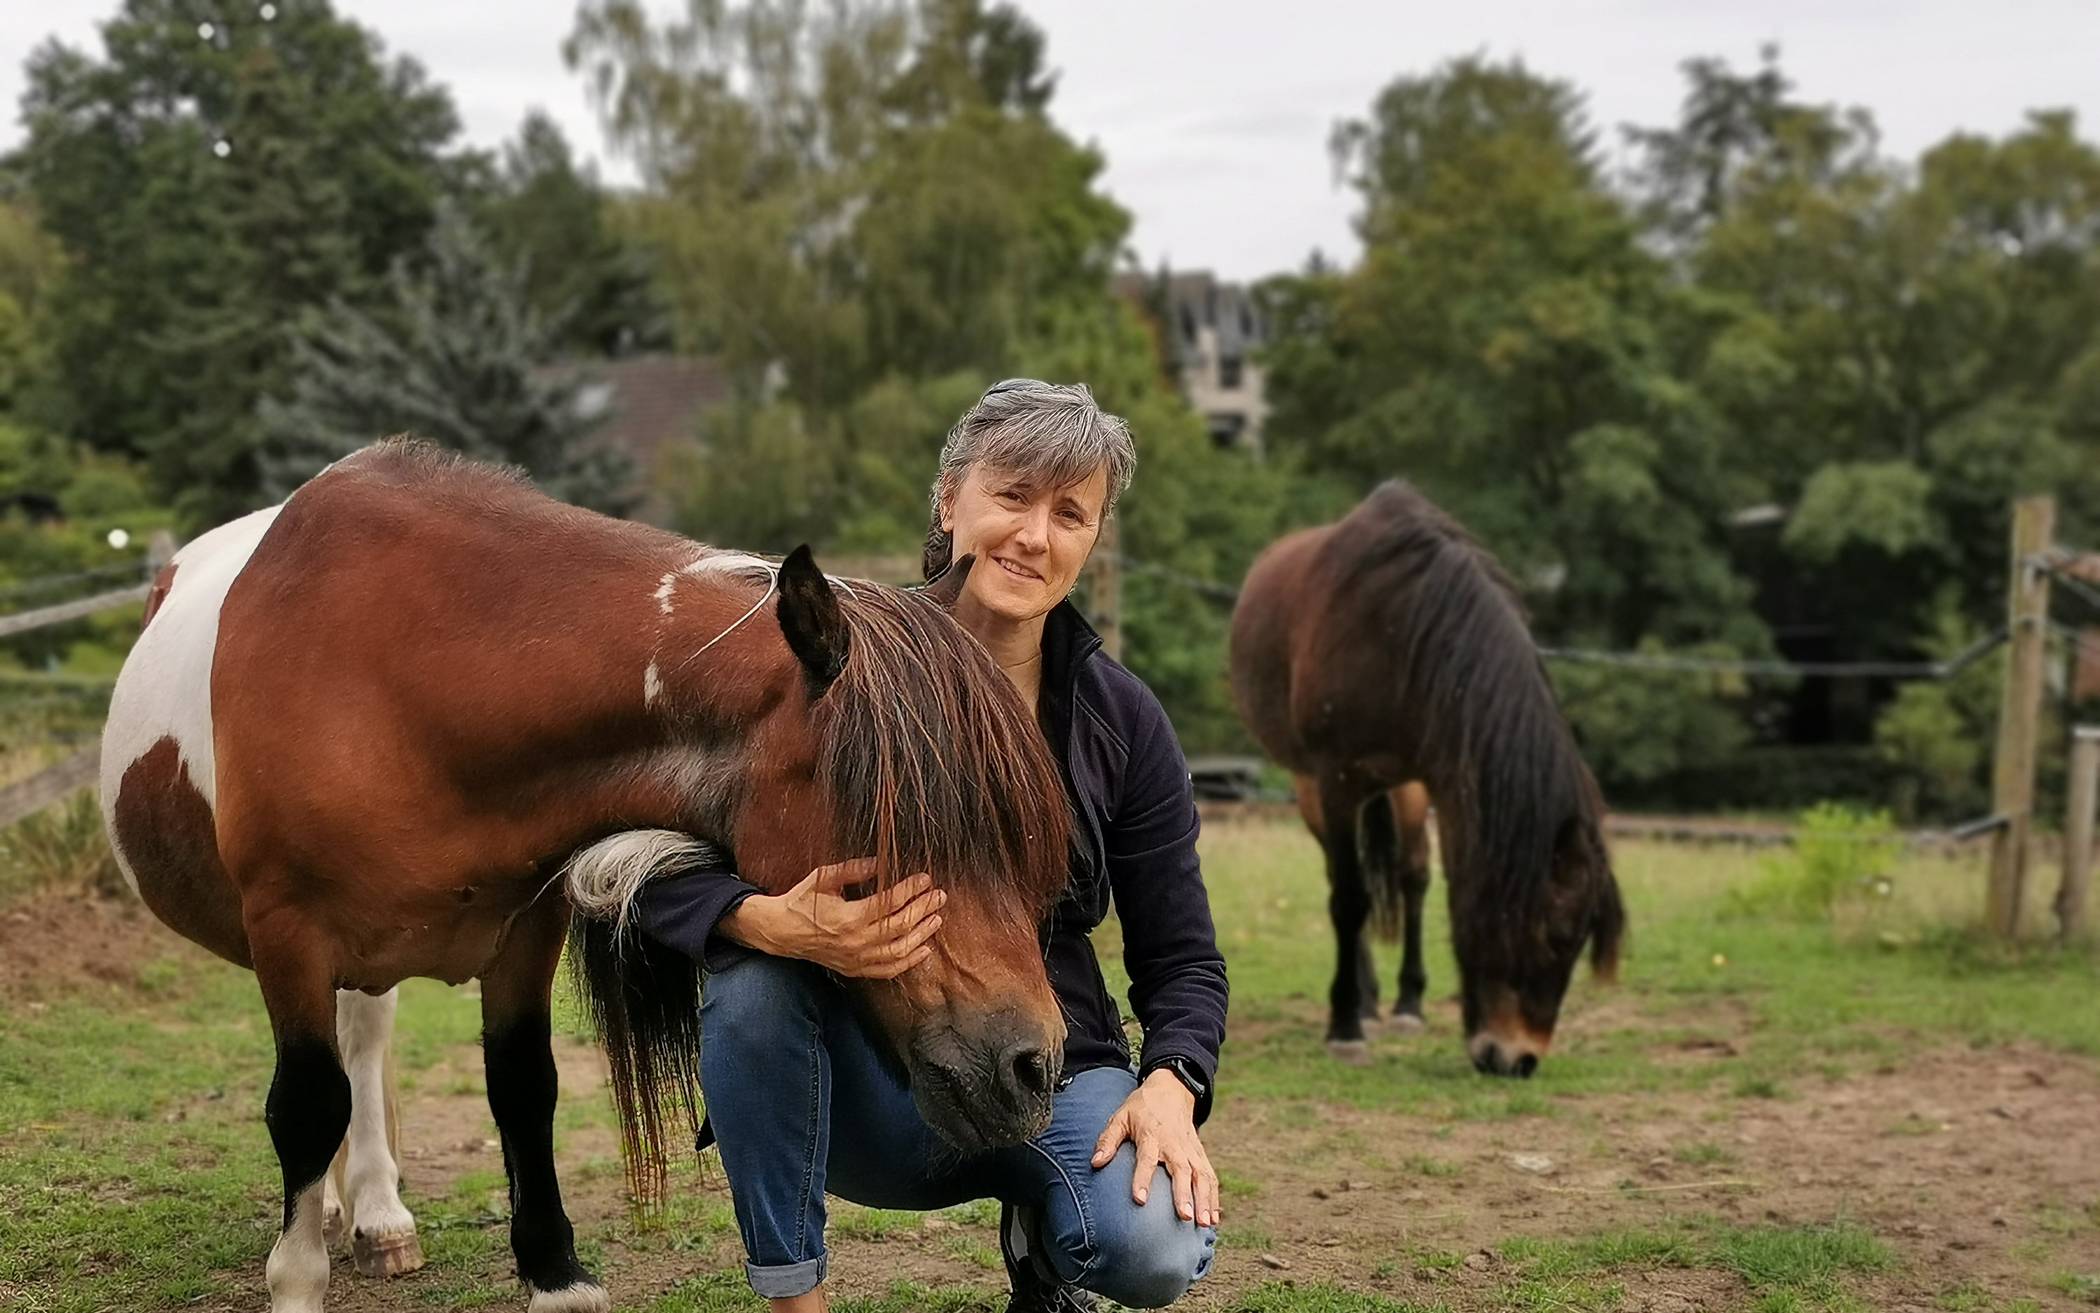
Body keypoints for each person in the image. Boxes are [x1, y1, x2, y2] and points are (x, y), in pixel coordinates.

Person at [625, 379, 1229, 1311]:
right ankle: (796, 1296)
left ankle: (1046, 1233)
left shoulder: (1121, 719)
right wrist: (761, 918)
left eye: (1070, 512)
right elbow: (645, 858)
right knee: (752, 988)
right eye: (1013, 495)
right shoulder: (838, 665)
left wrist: (1172, 1081)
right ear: (951, 501)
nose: (1035, 534)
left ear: (1092, 540)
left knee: (1153, 1247)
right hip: (867, 1082)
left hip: (1045, 1067)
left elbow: (1182, 954)